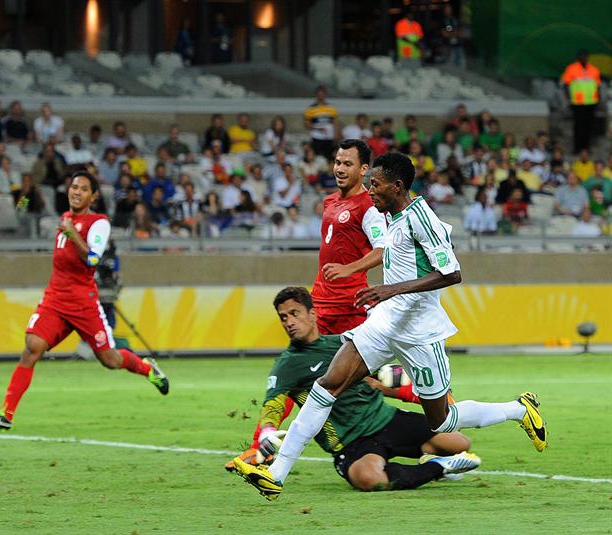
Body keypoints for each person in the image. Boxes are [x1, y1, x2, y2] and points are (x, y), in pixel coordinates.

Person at [232, 152, 547, 500]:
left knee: (442, 421)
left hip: (419, 333)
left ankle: (519, 409)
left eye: (376, 184)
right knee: (327, 385)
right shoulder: (391, 217)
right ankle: (276, 474)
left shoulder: (421, 218)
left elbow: (452, 273)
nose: (370, 190)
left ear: (397, 186)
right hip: (384, 323)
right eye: (369, 184)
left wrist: (388, 289)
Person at [225, 139, 387, 470]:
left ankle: (440, 417)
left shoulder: (367, 207)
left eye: (348, 163)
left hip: (349, 309)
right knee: (294, 373)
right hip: (322, 306)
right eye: (337, 162)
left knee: (370, 378)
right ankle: (261, 449)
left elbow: (384, 249)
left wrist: (350, 269)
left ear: (364, 170)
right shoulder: (329, 201)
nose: (340, 168)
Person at [229, 286, 478, 491]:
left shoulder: (342, 343)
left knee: (459, 443)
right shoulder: (287, 365)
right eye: (283, 317)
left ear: (313, 314)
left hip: (385, 418)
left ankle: (433, 459)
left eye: (295, 313)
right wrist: (267, 431)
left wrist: (430, 389)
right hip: (351, 443)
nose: (289, 322)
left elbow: (386, 373)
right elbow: (273, 404)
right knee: (370, 479)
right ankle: (439, 467)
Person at [0, 173, 169, 431]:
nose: (76, 192)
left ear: (93, 196)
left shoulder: (98, 222)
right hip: (55, 300)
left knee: (110, 360)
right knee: (32, 347)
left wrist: (72, 234)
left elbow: (93, 259)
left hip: (84, 303)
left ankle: (147, 369)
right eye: (73, 187)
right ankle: (7, 414)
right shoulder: (65, 220)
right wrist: (68, 229)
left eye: (83, 189)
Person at [561, 50, 601, 153]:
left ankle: (586, 148)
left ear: (588, 57)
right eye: (581, 56)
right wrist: (569, 98)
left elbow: (597, 86)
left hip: (591, 102)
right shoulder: (571, 69)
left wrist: (598, 99)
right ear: (578, 57)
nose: (583, 58)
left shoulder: (594, 70)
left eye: (585, 56)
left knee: (589, 126)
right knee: (578, 126)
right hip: (577, 103)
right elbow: (565, 84)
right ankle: (577, 148)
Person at [304, 86, 338, 158]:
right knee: (316, 157)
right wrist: (317, 128)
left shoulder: (331, 108)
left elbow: (335, 123)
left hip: (329, 138)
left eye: (322, 95)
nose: (321, 97)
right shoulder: (311, 108)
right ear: (316, 96)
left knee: (329, 157)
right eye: (319, 95)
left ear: (325, 95)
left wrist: (335, 136)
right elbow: (306, 124)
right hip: (317, 138)